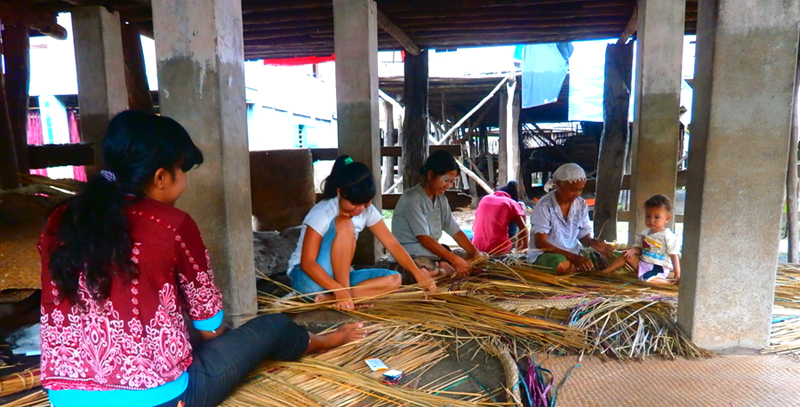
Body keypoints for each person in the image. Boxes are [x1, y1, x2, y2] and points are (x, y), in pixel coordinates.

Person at [39, 110, 364, 407]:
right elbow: (210, 327)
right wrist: (234, 347)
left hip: (67, 398)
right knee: (273, 326)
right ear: (161, 176)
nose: (184, 181)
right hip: (162, 399)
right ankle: (321, 341)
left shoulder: (59, 218)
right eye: (182, 169)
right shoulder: (171, 224)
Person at [287, 155, 436, 309]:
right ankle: (344, 294)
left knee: (394, 279)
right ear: (340, 193)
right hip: (308, 281)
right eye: (354, 203)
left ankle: (332, 298)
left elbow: (392, 244)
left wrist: (418, 273)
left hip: (338, 280)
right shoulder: (323, 212)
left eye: (366, 203)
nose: (360, 209)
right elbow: (308, 263)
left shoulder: (367, 210)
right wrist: (340, 289)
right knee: (345, 224)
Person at [392, 150, 482, 276]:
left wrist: (476, 253)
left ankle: (445, 268)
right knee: (424, 272)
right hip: (411, 255)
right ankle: (445, 269)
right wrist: (455, 260)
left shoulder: (441, 199)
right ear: (430, 175)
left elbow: (455, 230)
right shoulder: (412, 199)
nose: (449, 185)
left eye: (452, 181)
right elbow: (424, 239)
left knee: (479, 258)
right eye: (446, 180)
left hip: (432, 255)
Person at [527, 163, 614, 274]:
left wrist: (592, 242)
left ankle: (574, 268)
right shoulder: (545, 205)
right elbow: (541, 243)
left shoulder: (581, 204)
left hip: (574, 253)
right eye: (573, 189)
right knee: (561, 265)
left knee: (613, 258)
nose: (577, 194)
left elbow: (583, 235)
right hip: (547, 254)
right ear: (559, 184)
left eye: (580, 190)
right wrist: (573, 257)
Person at [600, 194, 681, 285]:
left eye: (656, 217)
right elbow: (641, 249)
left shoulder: (668, 236)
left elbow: (674, 255)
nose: (651, 220)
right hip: (642, 264)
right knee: (626, 255)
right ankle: (606, 271)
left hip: (658, 267)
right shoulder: (645, 233)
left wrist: (677, 272)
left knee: (645, 278)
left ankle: (669, 282)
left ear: (667, 218)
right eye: (648, 216)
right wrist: (633, 250)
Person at [472, 182, 529, 254]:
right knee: (521, 206)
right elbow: (523, 229)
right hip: (500, 249)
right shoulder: (512, 203)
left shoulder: (484, 199)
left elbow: (474, 227)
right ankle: (518, 247)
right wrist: (525, 248)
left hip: (477, 247)